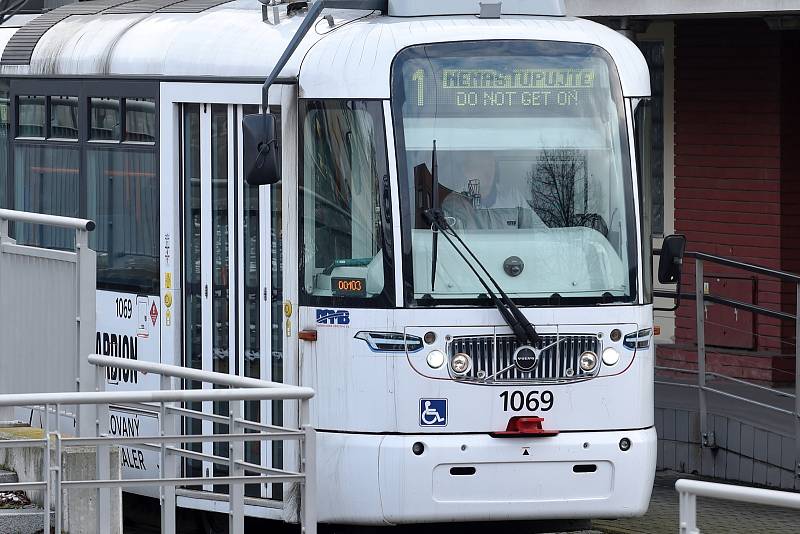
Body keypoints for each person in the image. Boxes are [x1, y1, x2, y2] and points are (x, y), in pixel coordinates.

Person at [440, 151, 544, 230]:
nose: (487, 172)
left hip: (512, 258)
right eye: (480, 167)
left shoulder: (513, 198)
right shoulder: (454, 204)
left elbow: (540, 232)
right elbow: (450, 244)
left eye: (490, 165)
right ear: (467, 170)